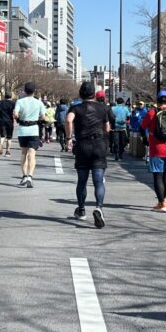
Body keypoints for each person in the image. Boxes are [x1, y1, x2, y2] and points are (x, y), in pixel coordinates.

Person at [65, 81, 110, 228]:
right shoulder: (102, 108)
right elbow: (107, 128)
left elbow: (68, 120)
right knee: (98, 181)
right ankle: (98, 207)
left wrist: (69, 138)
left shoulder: (75, 108)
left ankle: (81, 209)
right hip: (98, 145)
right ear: (93, 94)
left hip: (82, 145)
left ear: (80, 94)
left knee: (82, 180)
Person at [14, 82, 45, 188]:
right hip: (34, 130)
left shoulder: (19, 101)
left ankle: (24, 176)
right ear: (34, 91)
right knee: (32, 154)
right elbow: (43, 117)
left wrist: (19, 117)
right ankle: (30, 177)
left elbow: (15, 114)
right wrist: (36, 117)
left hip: (23, 130)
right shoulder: (39, 103)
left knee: (24, 153)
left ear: (24, 91)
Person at [109, 96, 130, 160]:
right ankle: (121, 154)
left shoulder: (112, 108)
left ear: (116, 102)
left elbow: (110, 116)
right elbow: (128, 116)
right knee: (122, 142)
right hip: (123, 127)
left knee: (116, 141)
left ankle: (116, 154)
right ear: (123, 102)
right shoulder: (125, 108)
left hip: (114, 127)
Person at [0, 92, 16, 156]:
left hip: (1, 120)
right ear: (11, 96)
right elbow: (15, 112)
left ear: (4, 96)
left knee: (2, 136)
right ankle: (7, 151)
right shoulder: (13, 103)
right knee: (9, 137)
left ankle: (1, 144)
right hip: (9, 121)